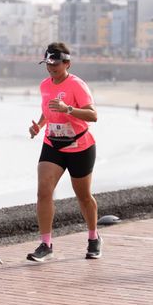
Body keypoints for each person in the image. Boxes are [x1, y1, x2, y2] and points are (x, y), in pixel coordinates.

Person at [27, 42, 100, 262]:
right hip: (53, 144)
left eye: (55, 64)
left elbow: (93, 115)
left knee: (83, 196)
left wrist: (68, 109)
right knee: (43, 191)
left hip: (80, 146)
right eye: (48, 64)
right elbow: (48, 111)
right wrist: (39, 126)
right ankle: (46, 244)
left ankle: (93, 238)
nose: (51, 68)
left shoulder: (77, 85)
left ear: (67, 63)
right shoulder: (44, 85)